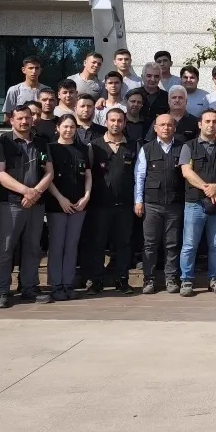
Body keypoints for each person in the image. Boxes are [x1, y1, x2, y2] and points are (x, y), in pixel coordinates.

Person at [0, 105, 54, 308]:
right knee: (6, 248)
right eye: (20, 118)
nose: (24, 121)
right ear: (11, 120)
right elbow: (0, 174)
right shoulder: (2, 142)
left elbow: (49, 172)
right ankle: (2, 291)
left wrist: (35, 193)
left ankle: (29, 288)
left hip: (36, 204)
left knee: (33, 248)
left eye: (27, 117)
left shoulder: (41, 142)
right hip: (11, 203)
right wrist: (26, 191)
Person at [179, 109, 216, 297]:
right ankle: (186, 280)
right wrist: (208, 189)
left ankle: (215, 279)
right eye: (207, 121)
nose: (211, 125)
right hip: (194, 203)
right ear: (200, 124)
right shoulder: (188, 146)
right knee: (189, 244)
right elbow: (187, 172)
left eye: (214, 121)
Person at [89, 108, 138, 295]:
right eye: (112, 120)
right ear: (106, 122)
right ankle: (96, 281)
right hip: (99, 205)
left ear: (124, 123)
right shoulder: (95, 146)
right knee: (98, 243)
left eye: (119, 121)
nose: (116, 124)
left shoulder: (133, 146)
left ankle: (122, 280)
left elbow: (138, 175)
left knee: (124, 244)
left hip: (125, 205)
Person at [44, 114, 92, 302]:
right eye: (65, 126)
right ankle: (56, 285)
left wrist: (86, 196)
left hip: (79, 204)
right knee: (57, 245)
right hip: (57, 205)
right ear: (57, 127)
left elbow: (88, 175)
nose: (68, 130)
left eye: (72, 127)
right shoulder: (50, 148)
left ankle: (68, 283)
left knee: (72, 245)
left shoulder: (83, 149)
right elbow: (47, 177)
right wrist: (60, 198)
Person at [135, 114, 185, 294]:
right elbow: (140, 176)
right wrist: (138, 201)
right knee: (150, 244)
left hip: (174, 204)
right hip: (151, 204)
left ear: (174, 128)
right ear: (155, 128)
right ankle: (148, 280)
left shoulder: (183, 148)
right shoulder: (147, 149)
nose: (166, 128)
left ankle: (171, 279)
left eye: (169, 125)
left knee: (172, 243)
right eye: (162, 125)